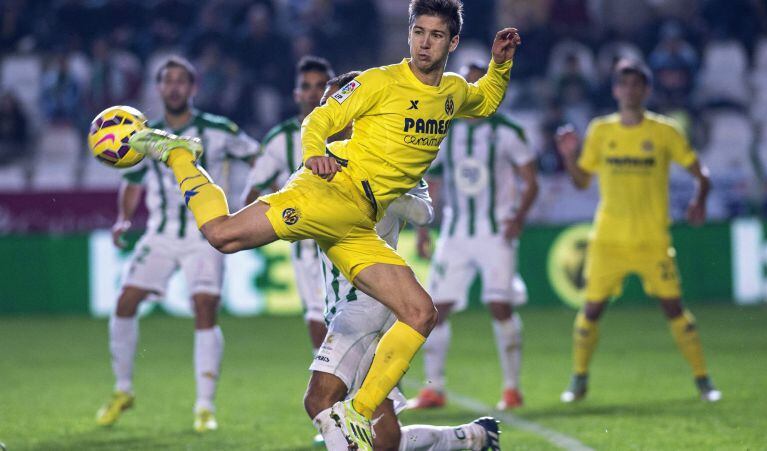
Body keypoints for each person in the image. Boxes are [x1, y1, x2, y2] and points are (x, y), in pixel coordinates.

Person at [127, 1, 519, 447]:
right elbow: (321, 117)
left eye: (435, 35)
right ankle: (180, 155)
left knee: (420, 313)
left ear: (452, 42)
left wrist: (499, 65)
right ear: (409, 33)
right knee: (221, 235)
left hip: (359, 224)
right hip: (329, 193)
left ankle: (358, 412)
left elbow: (485, 100)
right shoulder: (379, 81)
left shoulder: (452, 91)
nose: (424, 43)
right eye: (418, 32)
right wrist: (315, 152)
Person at [307, 72, 502, 451]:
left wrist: (378, 191)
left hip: (369, 304)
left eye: (337, 104)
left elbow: (424, 212)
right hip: (343, 302)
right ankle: (471, 437)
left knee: (320, 401)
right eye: (324, 106)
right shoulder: (320, 166)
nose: (329, 113)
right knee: (384, 439)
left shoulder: (393, 163)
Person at [95, 56, 259, 432]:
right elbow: (132, 182)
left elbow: (259, 158)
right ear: (158, 88)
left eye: (181, 81)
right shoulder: (142, 135)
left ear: (193, 87)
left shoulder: (219, 129)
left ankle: (204, 406)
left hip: (205, 236)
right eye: (167, 81)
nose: (174, 87)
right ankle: (122, 390)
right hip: (161, 234)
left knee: (204, 307)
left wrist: (254, 194)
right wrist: (123, 218)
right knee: (125, 302)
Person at [554, 58, 721, 403]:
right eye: (623, 84)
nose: (629, 90)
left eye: (636, 85)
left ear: (646, 90)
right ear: (615, 90)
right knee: (591, 311)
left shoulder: (664, 131)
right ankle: (579, 378)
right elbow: (582, 181)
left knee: (674, 309)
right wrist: (569, 156)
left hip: (652, 239)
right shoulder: (601, 130)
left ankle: (703, 380)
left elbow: (701, 173)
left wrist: (699, 200)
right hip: (609, 240)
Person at [410, 60, 538, 411]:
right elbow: (432, 182)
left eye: (476, 84)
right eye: (466, 84)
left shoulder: (507, 131)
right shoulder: (445, 130)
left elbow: (531, 180)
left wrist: (518, 218)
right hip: (455, 232)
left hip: (496, 231)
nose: (470, 90)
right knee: (435, 310)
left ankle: (511, 388)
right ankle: (434, 389)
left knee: (500, 305)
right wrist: (424, 228)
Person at [242, 56, 334, 353]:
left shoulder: (352, 129)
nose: (313, 93)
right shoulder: (282, 139)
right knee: (318, 315)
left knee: (364, 315)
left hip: (351, 237)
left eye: (320, 86)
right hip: (308, 247)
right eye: (306, 86)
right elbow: (252, 192)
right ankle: (330, 377)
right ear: (296, 94)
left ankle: (371, 379)